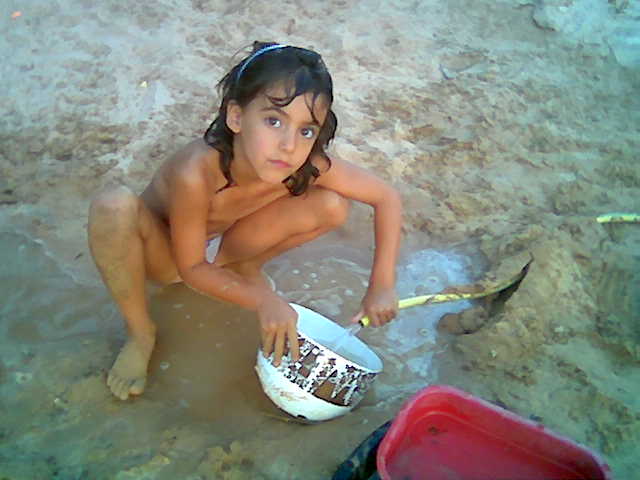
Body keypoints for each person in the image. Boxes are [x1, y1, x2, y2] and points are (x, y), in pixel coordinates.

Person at [88, 42, 403, 401]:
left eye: (306, 131)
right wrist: (263, 300)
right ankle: (141, 333)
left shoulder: (303, 162)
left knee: (332, 205)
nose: (288, 145)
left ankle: (243, 267)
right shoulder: (196, 172)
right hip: (166, 256)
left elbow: (386, 197)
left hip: (220, 249)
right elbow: (191, 268)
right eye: (273, 121)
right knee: (113, 205)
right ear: (236, 118)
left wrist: (382, 284)